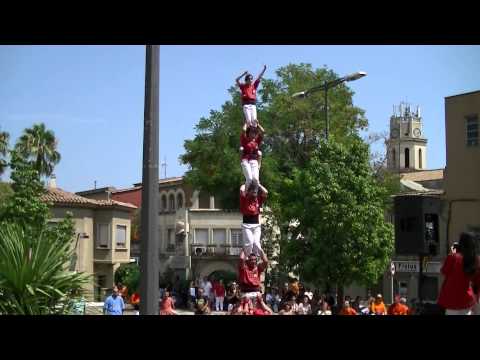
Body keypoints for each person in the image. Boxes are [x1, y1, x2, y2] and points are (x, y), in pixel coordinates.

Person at [438, 232, 480, 315]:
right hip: (467, 300)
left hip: (452, 300)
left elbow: (444, 271)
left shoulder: (453, 257)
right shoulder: (476, 259)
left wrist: (453, 253)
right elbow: (477, 281)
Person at [239, 183, 268, 257]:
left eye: (256, 191)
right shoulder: (244, 199)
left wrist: (258, 184)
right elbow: (241, 190)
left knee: (257, 244)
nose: (255, 192)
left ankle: (257, 258)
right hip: (246, 225)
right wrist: (247, 183)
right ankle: (247, 257)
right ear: (248, 192)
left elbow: (265, 192)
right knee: (250, 242)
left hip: (256, 226)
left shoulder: (258, 199)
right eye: (252, 191)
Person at [240, 125, 265, 192]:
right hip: (246, 161)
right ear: (248, 133)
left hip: (254, 161)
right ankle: (245, 193)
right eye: (252, 133)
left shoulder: (257, 141)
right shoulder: (245, 140)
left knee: (256, 179)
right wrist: (246, 123)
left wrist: (258, 124)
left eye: (255, 133)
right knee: (250, 179)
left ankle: (255, 194)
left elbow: (263, 131)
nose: (253, 134)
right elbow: (243, 130)